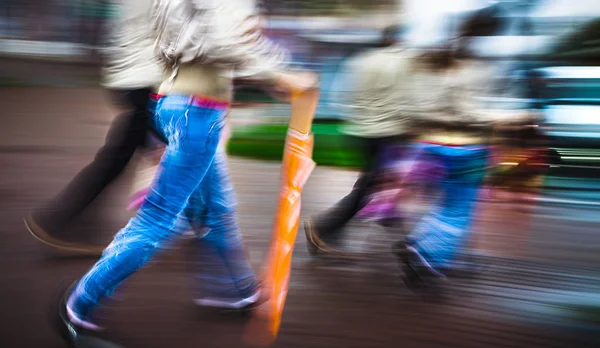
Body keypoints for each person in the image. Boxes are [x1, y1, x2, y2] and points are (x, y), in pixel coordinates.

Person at [54, 0, 316, 345]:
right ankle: (78, 307)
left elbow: (192, 40)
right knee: (157, 221)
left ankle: (234, 291)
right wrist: (280, 74)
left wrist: (267, 70)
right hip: (198, 112)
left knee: (216, 208)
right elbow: (226, 42)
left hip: (171, 102)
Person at [393, 5, 533, 288]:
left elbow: (416, 106)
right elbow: (469, 112)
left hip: (429, 143)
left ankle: (418, 244)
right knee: (459, 209)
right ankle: (425, 255)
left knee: (445, 203)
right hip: (465, 148)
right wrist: (515, 118)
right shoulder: (475, 65)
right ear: (489, 33)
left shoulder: (436, 60)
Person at [24, 0, 165, 256]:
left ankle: (65, 222)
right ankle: (58, 222)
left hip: (130, 77)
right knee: (119, 157)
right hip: (145, 78)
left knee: (134, 152)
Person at [303, 25, 415, 256]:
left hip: (360, 132)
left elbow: (342, 96)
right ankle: (322, 228)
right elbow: (409, 101)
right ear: (397, 40)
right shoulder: (405, 62)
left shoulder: (360, 61)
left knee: (380, 181)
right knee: (370, 186)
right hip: (389, 133)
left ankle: (391, 223)